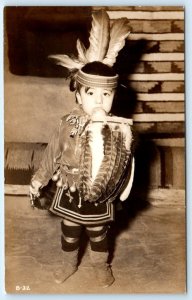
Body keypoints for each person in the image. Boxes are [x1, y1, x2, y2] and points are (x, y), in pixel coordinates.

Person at [29, 10, 134, 288]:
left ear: (113, 95)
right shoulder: (67, 123)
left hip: (100, 191)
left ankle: (101, 264)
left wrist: (123, 187)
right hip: (70, 187)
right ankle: (68, 263)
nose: (99, 100)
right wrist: (39, 178)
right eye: (91, 93)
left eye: (106, 94)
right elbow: (52, 153)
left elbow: (126, 163)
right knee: (70, 228)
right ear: (77, 94)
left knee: (99, 231)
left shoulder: (119, 128)